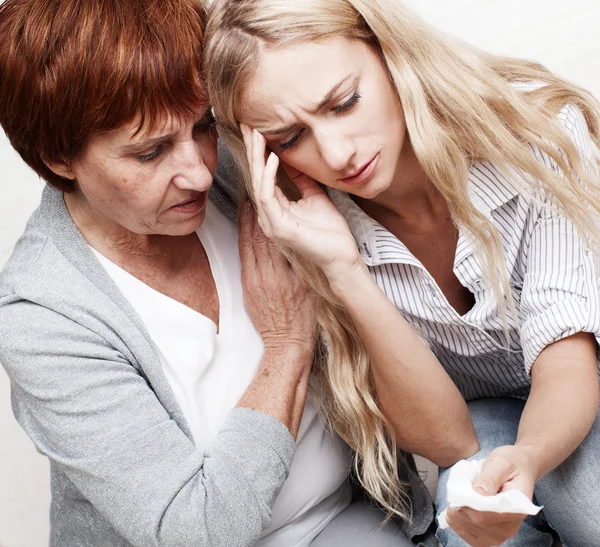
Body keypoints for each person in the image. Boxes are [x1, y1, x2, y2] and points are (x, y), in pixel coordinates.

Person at [0, 0, 414, 545]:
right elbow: (196, 532)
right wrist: (287, 345)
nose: (198, 171)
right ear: (58, 158)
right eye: (150, 153)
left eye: (202, 126)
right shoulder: (43, 320)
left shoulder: (246, 172)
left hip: (350, 520)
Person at [203, 0, 600, 546]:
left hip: (585, 383)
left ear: (389, 51)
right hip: (485, 419)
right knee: (472, 530)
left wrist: (530, 455)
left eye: (344, 103)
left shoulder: (533, 132)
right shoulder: (301, 222)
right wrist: (342, 268)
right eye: (290, 139)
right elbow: (448, 442)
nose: (339, 153)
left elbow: (568, 359)